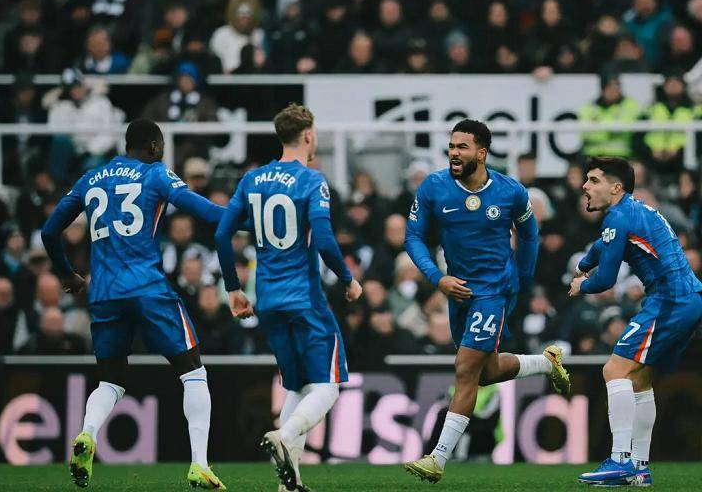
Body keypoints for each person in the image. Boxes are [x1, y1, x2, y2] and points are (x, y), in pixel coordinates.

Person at [40, 119, 228, 489]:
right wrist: (249, 219)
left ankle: (87, 432)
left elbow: (49, 231)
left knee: (110, 379)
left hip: (103, 292)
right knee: (193, 371)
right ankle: (199, 464)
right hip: (147, 287)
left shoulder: (92, 178)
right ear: (155, 146)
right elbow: (207, 212)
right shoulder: (155, 174)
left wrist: (67, 274)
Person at [402, 119, 570, 483]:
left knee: (465, 370)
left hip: (493, 291)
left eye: (462, 147)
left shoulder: (510, 192)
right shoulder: (434, 187)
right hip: (456, 290)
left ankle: (437, 458)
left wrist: (522, 280)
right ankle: (546, 362)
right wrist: (438, 278)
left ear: (481, 152)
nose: (454, 153)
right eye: (451, 146)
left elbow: (530, 236)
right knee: (486, 373)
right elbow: (413, 237)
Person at [215, 103, 362, 492]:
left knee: (297, 387)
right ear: (308, 135)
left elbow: (222, 234)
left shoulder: (252, 179)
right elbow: (325, 240)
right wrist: (348, 279)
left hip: (268, 301)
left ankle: (289, 484)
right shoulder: (312, 181)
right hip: (305, 299)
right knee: (327, 386)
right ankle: (286, 434)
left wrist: (233, 289)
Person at [569, 157, 702, 487]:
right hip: (686, 297)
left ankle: (620, 459)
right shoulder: (633, 210)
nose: (585, 186)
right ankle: (640, 468)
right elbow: (602, 245)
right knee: (640, 378)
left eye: (594, 180)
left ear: (615, 188)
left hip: (669, 300)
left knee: (614, 369)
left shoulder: (618, 217)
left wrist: (581, 284)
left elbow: (606, 281)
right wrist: (584, 264)